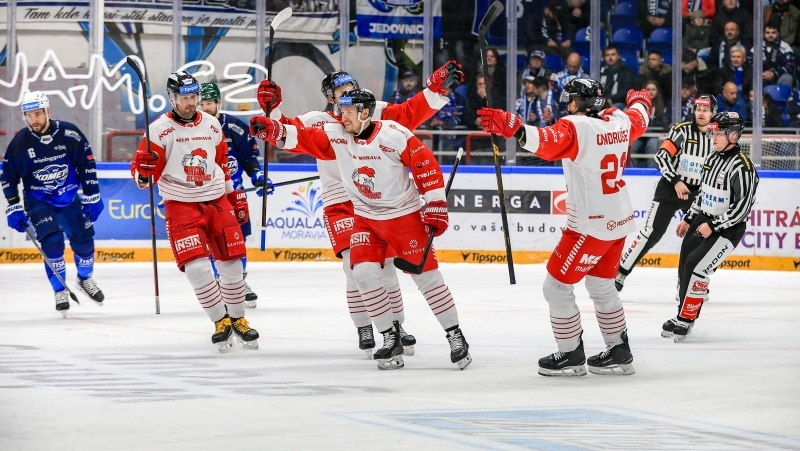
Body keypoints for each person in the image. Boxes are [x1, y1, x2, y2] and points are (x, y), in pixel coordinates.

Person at [251, 88, 473, 371]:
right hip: (365, 217)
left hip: (403, 217)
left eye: (347, 112)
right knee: (363, 273)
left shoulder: (394, 134)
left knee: (427, 277)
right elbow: (307, 138)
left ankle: (455, 335)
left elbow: (425, 165)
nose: (342, 117)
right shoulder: (337, 134)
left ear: (365, 113)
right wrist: (274, 130)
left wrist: (436, 204)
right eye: (341, 112)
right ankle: (390, 337)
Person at [476, 79, 651, 376]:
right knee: (601, 285)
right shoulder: (619, 120)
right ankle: (619, 350)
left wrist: (515, 128)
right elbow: (641, 115)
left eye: (571, 100)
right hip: (619, 221)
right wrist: (640, 98)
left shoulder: (577, 127)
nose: (567, 105)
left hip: (589, 226)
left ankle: (570, 353)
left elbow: (545, 142)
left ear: (581, 103)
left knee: (556, 287)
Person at [130, 71, 259, 352]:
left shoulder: (212, 125)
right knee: (197, 269)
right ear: (172, 98)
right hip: (181, 204)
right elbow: (143, 179)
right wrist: (143, 171)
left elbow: (222, 163)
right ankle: (220, 321)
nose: (190, 103)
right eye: (184, 98)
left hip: (216, 201)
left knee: (233, 265)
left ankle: (239, 320)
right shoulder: (159, 130)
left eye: (193, 97)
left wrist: (232, 197)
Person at [1, 91, 105, 316]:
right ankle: (59, 290)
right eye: (28, 115)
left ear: (48, 112)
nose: (33, 120)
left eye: (37, 114)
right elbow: (8, 175)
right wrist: (13, 205)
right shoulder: (21, 142)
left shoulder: (70, 134)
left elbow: (86, 165)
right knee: (53, 244)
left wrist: (92, 195)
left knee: (84, 243)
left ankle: (84, 279)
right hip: (38, 201)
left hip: (69, 199)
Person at [662, 112, 758, 341]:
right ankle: (681, 314)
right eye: (713, 132)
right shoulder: (712, 158)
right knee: (685, 260)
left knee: (697, 266)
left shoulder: (743, 167)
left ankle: (687, 318)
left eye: (719, 133)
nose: (713, 137)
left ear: (733, 136)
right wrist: (689, 218)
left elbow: (742, 209)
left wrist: (713, 226)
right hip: (703, 221)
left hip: (727, 230)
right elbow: (703, 195)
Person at [616, 95, 717, 291]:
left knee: (700, 238)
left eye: (705, 110)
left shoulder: (716, 136)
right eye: (698, 109)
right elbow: (661, 157)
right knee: (650, 234)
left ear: (713, 112)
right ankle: (620, 273)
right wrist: (677, 181)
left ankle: (691, 281)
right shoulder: (682, 130)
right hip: (670, 189)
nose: (701, 113)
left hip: (697, 194)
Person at [198, 82, 267, 308]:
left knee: (239, 241)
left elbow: (249, 159)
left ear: (218, 103)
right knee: (212, 242)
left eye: (209, 103)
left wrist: (257, 175)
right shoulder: (193, 129)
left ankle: (238, 283)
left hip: (233, 195)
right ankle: (220, 282)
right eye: (202, 103)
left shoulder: (235, 127)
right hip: (206, 196)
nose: (205, 108)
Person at [630, 80, 670, 167]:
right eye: (648, 89)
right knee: (632, 144)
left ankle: (651, 172)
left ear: (657, 91)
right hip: (640, 135)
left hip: (654, 135)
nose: (651, 92)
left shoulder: (663, 105)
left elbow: (664, 123)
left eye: (653, 89)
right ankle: (631, 171)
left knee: (652, 145)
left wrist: (649, 124)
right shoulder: (638, 105)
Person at [599, 45, 635, 110]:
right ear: (604, 57)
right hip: (601, 101)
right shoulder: (600, 71)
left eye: (613, 55)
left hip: (619, 102)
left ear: (618, 56)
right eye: (607, 55)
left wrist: (611, 99)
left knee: (612, 109)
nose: (610, 57)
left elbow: (626, 90)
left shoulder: (626, 71)